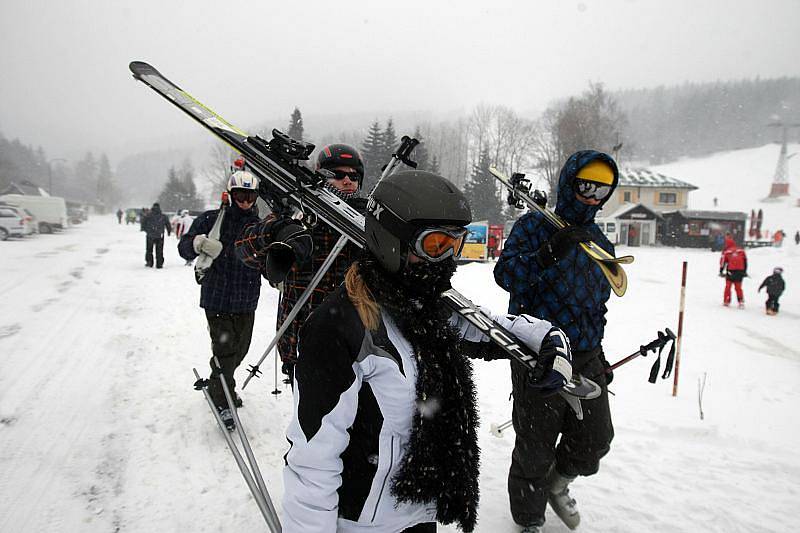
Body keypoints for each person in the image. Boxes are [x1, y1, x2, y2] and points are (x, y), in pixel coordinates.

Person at [282, 170, 572, 533]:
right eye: (435, 245)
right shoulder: (339, 329)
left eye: (457, 245)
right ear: (391, 241)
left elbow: (491, 328)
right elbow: (312, 460)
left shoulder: (426, 308)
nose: (447, 259)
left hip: (420, 511)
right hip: (363, 523)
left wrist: (550, 339)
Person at [494, 151, 619, 533]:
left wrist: (600, 355)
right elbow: (506, 275)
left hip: (585, 355)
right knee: (535, 445)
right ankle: (529, 519)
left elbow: (596, 306)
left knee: (595, 440)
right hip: (538, 353)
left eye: (602, 190)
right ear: (570, 183)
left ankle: (556, 484)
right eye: (586, 186)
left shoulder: (599, 243)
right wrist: (550, 252)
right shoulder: (533, 226)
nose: (593, 197)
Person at [179, 170, 308, 430]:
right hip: (216, 299)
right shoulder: (211, 220)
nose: (245, 201)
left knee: (240, 350)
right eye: (240, 195)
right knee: (225, 350)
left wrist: (277, 275)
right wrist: (197, 242)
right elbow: (183, 247)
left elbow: (264, 262)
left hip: (247, 299)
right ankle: (223, 400)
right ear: (230, 194)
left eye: (250, 196)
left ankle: (219, 381)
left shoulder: (259, 226)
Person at [237, 144, 368, 383]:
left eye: (353, 176)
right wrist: (277, 230)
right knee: (313, 419)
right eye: (338, 175)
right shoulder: (299, 215)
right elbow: (244, 250)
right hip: (302, 343)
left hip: (357, 345)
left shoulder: (368, 221)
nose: (347, 180)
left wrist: (369, 224)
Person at [720, 234, 748, 308]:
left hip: (731, 271)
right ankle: (740, 301)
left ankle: (726, 300)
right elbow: (745, 261)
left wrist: (721, 271)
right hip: (740, 271)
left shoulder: (727, 252)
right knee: (738, 287)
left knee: (728, 286)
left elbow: (723, 262)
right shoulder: (741, 251)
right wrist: (744, 271)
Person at [140, 202, 171, 268]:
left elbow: (143, 223)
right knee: (159, 250)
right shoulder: (163, 216)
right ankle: (159, 263)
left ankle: (149, 262)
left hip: (150, 235)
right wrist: (169, 231)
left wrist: (146, 230)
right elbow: (168, 224)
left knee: (149, 250)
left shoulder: (148, 215)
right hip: (160, 235)